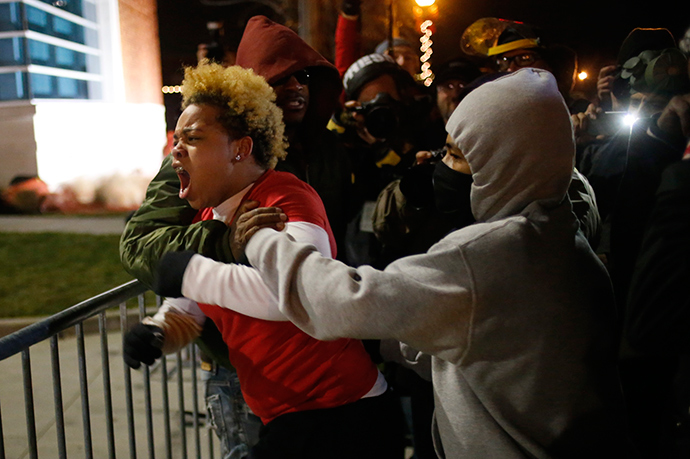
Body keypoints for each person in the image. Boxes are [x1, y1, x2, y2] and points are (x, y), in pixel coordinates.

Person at [157, 68, 635, 458]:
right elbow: (483, 344)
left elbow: (338, 301)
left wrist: (251, 242)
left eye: (456, 155)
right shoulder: (562, 234)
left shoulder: (494, 254)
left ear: (506, 160)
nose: (442, 168)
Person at [124, 62, 403, 459]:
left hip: (345, 414)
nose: (177, 150)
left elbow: (300, 294)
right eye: (176, 140)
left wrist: (192, 271)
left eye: (194, 138)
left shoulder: (287, 197)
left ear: (240, 149)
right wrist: (157, 332)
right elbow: (190, 311)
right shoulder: (210, 218)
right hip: (289, 418)